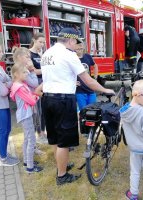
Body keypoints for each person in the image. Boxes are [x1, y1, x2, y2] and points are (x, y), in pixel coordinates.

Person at [40, 27, 115, 185]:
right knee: (64, 141)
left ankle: (63, 165)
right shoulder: (69, 55)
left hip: (47, 98)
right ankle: (62, 176)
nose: (76, 46)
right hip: (63, 100)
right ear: (71, 40)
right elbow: (88, 80)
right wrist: (105, 89)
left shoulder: (47, 53)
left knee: (54, 138)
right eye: (76, 42)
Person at [120, 79, 143, 200]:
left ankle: (133, 194)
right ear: (139, 95)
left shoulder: (124, 111)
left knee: (135, 172)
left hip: (134, 148)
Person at [10, 64, 43, 173]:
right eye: (24, 72)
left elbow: (30, 98)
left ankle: (26, 161)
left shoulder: (20, 85)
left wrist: (33, 95)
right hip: (26, 115)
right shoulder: (19, 87)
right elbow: (32, 101)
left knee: (27, 138)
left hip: (25, 114)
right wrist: (37, 95)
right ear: (16, 74)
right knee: (31, 139)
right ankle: (30, 167)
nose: (27, 74)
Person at [13, 47, 46, 155]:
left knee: (34, 122)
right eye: (27, 56)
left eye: (29, 56)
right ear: (19, 57)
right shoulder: (22, 70)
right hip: (29, 101)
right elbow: (34, 83)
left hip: (31, 99)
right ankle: (31, 149)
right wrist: (32, 71)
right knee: (30, 127)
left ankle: (33, 146)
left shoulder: (23, 68)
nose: (29, 59)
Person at [29, 33, 48, 144]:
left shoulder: (41, 54)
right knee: (38, 111)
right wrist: (48, 69)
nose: (42, 44)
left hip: (43, 83)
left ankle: (43, 132)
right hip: (35, 84)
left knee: (44, 109)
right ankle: (39, 134)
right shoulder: (29, 54)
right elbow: (34, 71)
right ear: (34, 40)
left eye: (43, 42)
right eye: (40, 42)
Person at [75, 42, 98, 111]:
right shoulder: (73, 58)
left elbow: (95, 65)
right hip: (80, 90)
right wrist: (72, 81)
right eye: (78, 46)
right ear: (74, 48)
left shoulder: (87, 56)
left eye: (81, 46)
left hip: (90, 88)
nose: (80, 48)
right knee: (83, 111)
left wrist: (95, 78)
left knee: (93, 109)